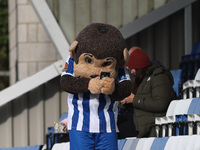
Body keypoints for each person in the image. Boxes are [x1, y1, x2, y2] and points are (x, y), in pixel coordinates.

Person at [121, 47, 177, 138]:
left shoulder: (159, 77)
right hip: (139, 124)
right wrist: (124, 101)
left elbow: (160, 104)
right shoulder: (141, 79)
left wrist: (134, 100)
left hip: (152, 127)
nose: (132, 72)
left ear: (140, 68)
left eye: (133, 69)